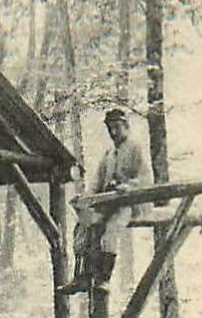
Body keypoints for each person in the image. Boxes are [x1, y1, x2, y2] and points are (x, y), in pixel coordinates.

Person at [59, 107, 149, 294]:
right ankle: (81, 277)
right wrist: (86, 197)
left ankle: (103, 279)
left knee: (110, 233)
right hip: (107, 202)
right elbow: (97, 181)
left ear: (126, 126)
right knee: (83, 227)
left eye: (117, 127)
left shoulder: (135, 148)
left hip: (127, 203)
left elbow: (145, 178)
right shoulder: (108, 154)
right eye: (110, 128)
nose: (113, 132)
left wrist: (128, 186)